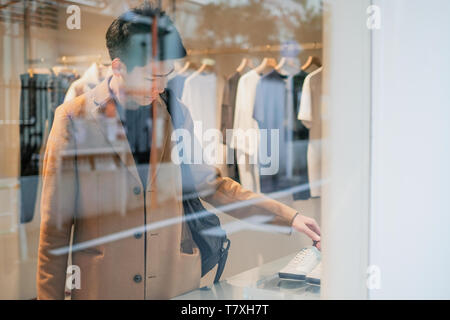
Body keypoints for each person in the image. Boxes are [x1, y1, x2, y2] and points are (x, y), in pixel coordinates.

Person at [37, 2, 321, 300]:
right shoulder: (73, 118)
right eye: (150, 77)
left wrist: (287, 216)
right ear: (118, 67)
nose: (160, 87)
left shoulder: (174, 112)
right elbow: (54, 228)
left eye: (166, 74)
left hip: (173, 285)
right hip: (104, 286)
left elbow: (210, 184)